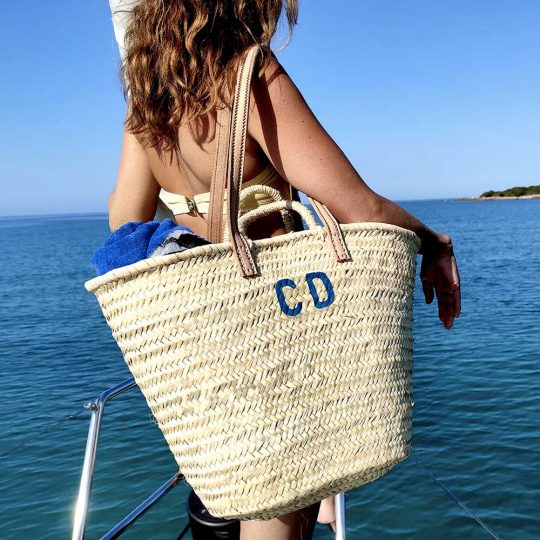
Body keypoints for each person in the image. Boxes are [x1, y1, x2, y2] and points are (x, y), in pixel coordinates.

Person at [106, 1, 461, 538]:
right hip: (274, 326)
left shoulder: (150, 95)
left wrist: (190, 209)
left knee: (242, 489)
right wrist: (434, 243)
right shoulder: (247, 72)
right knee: (279, 503)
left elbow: (124, 223)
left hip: (202, 339)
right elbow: (359, 207)